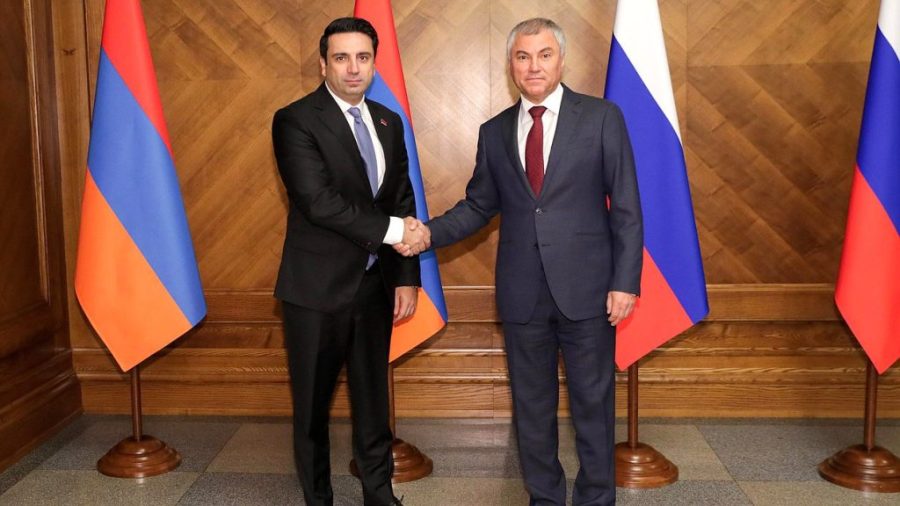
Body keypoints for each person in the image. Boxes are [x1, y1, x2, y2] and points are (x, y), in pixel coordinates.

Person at [398, 18, 643, 506]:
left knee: (594, 407)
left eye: (544, 55)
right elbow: (478, 206)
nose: (534, 66)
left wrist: (625, 282)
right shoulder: (494, 132)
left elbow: (627, 207)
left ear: (561, 60)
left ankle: (596, 499)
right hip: (522, 294)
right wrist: (426, 234)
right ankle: (544, 498)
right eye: (523, 56)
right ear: (511, 64)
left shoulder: (601, 118)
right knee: (532, 410)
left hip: (590, 292)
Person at [271, 17, 427, 506]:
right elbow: (319, 202)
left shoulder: (388, 121)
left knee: (373, 402)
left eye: (363, 57)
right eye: (341, 58)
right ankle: (318, 499)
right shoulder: (295, 120)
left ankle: (379, 495)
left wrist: (406, 276)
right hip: (316, 291)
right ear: (323, 64)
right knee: (312, 409)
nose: (353, 68)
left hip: (375, 286)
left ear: (374, 64)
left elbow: (400, 197)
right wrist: (398, 232)